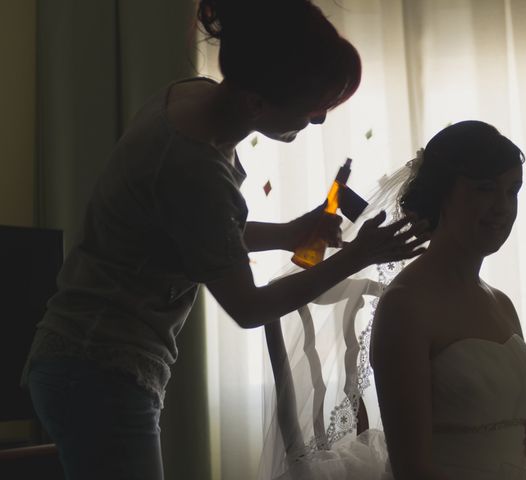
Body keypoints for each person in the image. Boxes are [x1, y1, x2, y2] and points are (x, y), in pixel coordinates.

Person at [22, 1, 428, 479]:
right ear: (257, 101)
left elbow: (190, 231)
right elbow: (248, 307)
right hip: (98, 367)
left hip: (80, 359)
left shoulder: (191, 100)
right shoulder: (194, 165)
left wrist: (287, 234)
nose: (317, 120)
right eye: (313, 107)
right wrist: (357, 256)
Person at [258, 121, 526, 480]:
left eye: (512, 191)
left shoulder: (502, 304)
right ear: (441, 195)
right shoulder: (406, 307)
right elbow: (412, 469)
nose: (502, 207)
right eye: (485, 190)